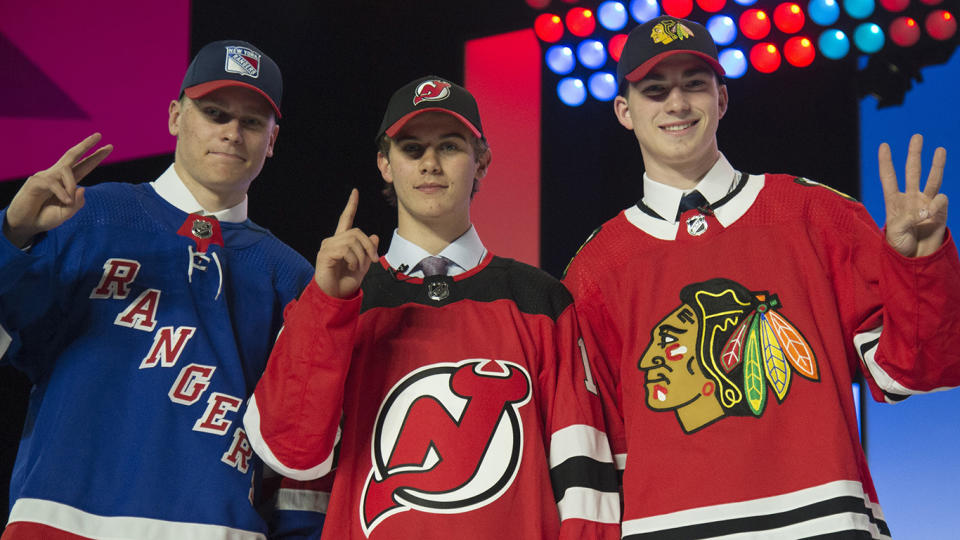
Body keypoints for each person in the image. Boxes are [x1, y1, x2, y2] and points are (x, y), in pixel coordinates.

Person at [562, 15, 960, 540]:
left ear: (721, 100)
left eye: (694, 86)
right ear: (625, 111)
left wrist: (921, 264)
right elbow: (599, 449)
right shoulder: (595, 270)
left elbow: (912, 372)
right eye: (655, 91)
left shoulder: (815, 214)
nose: (677, 105)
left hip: (824, 524)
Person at [243, 76, 621, 539]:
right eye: (411, 148)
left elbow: (585, 482)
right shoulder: (339, 298)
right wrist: (327, 305)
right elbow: (289, 453)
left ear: (481, 162)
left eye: (449, 147)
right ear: (385, 163)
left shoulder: (540, 300)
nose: (429, 164)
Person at [0, 40, 314, 539]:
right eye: (214, 113)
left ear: (272, 140)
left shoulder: (291, 276)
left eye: (252, 122)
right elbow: (11, 335)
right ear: (174, 116)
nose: (232, 133)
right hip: (63, 520)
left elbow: (299, 453)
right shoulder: (90, 215)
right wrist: (12, 234)